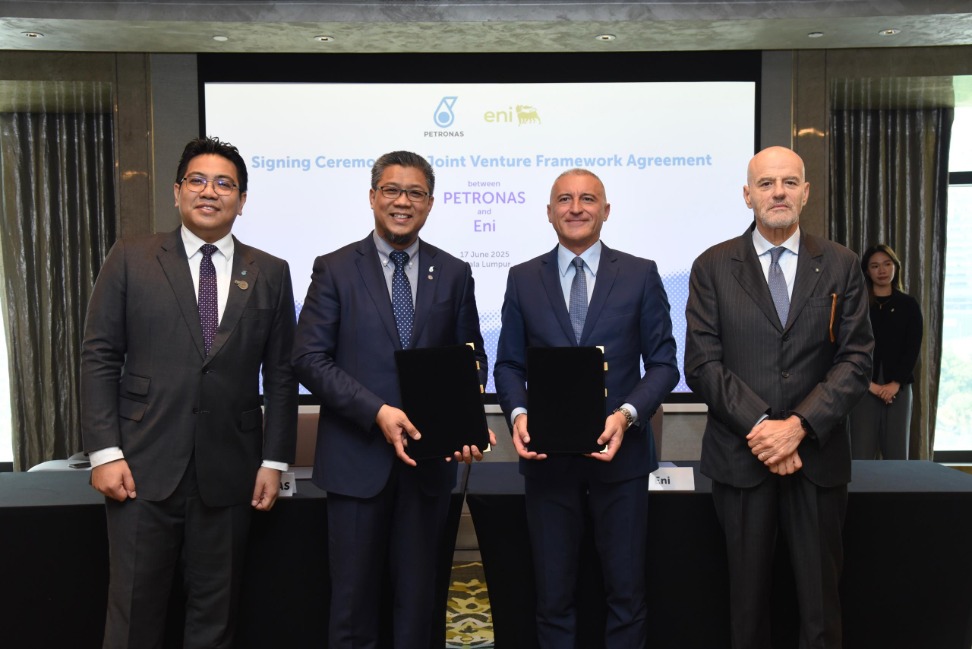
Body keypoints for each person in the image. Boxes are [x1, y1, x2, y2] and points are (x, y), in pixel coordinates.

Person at [81, 136, 298, 648]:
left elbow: (282, 373)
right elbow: (99, 356)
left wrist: (275, 461)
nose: (210, 192)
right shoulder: (131, 258)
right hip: (140, 468)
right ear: (177, 192)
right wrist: (104, 452)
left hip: (230, 473)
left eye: (225, 184)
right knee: (133, 614)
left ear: (241, 200)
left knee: (215, 618)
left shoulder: (270, 271)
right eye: (197, 180)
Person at [292, 150, 493, 649]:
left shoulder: (454, 272)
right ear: (373, 196)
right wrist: (377, 411)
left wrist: (464, 417)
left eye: (415, 193)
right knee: (353, 607)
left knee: (419, 606)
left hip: (428, 463)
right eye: (392, 190)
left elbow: (472, 357)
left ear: (429, 203)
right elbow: (309, 359)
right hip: (357, 462)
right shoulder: (335, 269)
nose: (402, 202)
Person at [684, 145, 874, 649]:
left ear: (806, 192)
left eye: (790, 182)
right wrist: (763, 427)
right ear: (748, 195)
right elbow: (702, 363)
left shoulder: (840, 264)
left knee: (820, 608)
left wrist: (797, 428)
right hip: (740, 460)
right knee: (746, 611)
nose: (778, 192)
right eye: (766, 183)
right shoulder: (711, 266)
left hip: (817, 456)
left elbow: (856, 361)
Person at [493, 168, 679, 649]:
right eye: (565, 199)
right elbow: (509, 364)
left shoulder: (640, 274)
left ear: (606, 210)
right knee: (552, 598)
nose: (576, 208)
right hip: (547, 462)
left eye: (588, 199)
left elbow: (663, 365)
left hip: (622, 463)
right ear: (550, 211)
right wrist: (517, 414)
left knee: (626, 595)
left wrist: (627, 416)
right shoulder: (522, 279)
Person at [849, 244, 922, 459]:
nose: (882, 270)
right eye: (875, 266)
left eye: (887, 264)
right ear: (867, 271)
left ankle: (898, 494)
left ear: (895, 267)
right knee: (860, 454)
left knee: (898, 454)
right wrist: (869, 385)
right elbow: (849, 346)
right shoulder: (857, 304)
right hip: (863, 387)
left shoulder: (908, 305)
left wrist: (895, 383)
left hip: (897, 388)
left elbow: (913, 349)